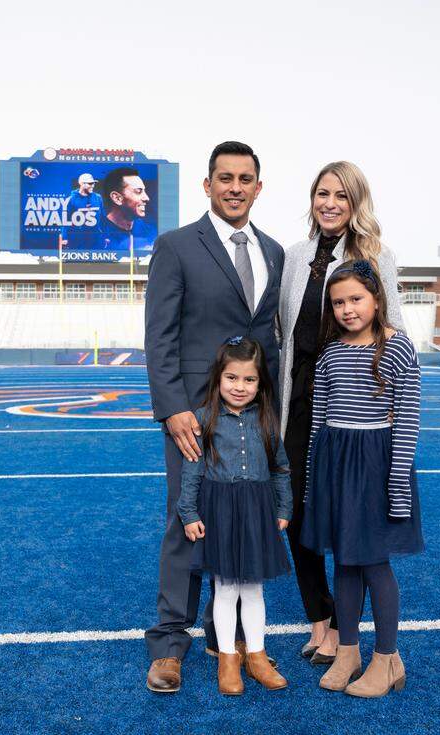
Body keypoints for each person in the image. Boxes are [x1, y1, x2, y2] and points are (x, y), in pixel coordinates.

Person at [144, 141, 285, 694]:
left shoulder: (272, 250)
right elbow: (160, 335)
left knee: (239, 517)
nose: (234, 187)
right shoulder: (177, 246)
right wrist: (174, 407)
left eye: (245, 178)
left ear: (258, 185)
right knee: (187, 520)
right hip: (196, 415)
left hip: (254, 416)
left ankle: (220, 634)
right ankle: (169, 644)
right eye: (224, 177)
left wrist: (273, 417)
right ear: (207, 185)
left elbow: (268, 340)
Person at [276, 160, 404, 665]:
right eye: (321, 193)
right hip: (299, 399)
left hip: (354, 407)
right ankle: (321, 624)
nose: (329, 203)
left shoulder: (376, 256)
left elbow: (394, 331)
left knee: (350, 517)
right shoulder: (294, 256)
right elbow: (283, 334)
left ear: (357, 204)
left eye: (341, 196)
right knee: (299, 514)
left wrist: (388, 413)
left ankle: (351, 637)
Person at [302, 260, 424, 697]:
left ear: (376, 299)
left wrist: (397, 487)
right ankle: (348, 650)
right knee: (344, 562)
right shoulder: (331, 353)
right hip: (336, 465)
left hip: (375, 466)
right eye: (338, 302)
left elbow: (407, 422)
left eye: (356, 299)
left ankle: (386, 659)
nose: (347, 309)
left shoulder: (398, 348)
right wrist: (315, 483)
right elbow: (319, 421)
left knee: (374, 563)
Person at [178, 336, 292, 695]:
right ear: (218, 378)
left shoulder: (268, 420)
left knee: (254, 588)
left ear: (260, 383)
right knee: (226, 588)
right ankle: (228, 658)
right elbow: (192, 471)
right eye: (232, 378)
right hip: (221, 510)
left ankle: (256, 654)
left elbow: (280, 468)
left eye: (249, 380)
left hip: (257, 509)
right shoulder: (204, 418)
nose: (239, 387)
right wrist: (188, 512)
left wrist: (283, 508)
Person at [98, 167, 155, 252]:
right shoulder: (98, 234)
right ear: (117, 198)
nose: (146, 198)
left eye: (144, 191)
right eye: (138, 191)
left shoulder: (151, 233)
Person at [61, 172, 104, 250]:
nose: (93, 186)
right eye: (90, 184)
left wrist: (106, 235)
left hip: (95, 238)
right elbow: (66, 221)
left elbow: (102, 218)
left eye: (93, 183)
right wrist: (64, 238)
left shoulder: (98, 198)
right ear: (82, 184)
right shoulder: (71, 200)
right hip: (77, 239)